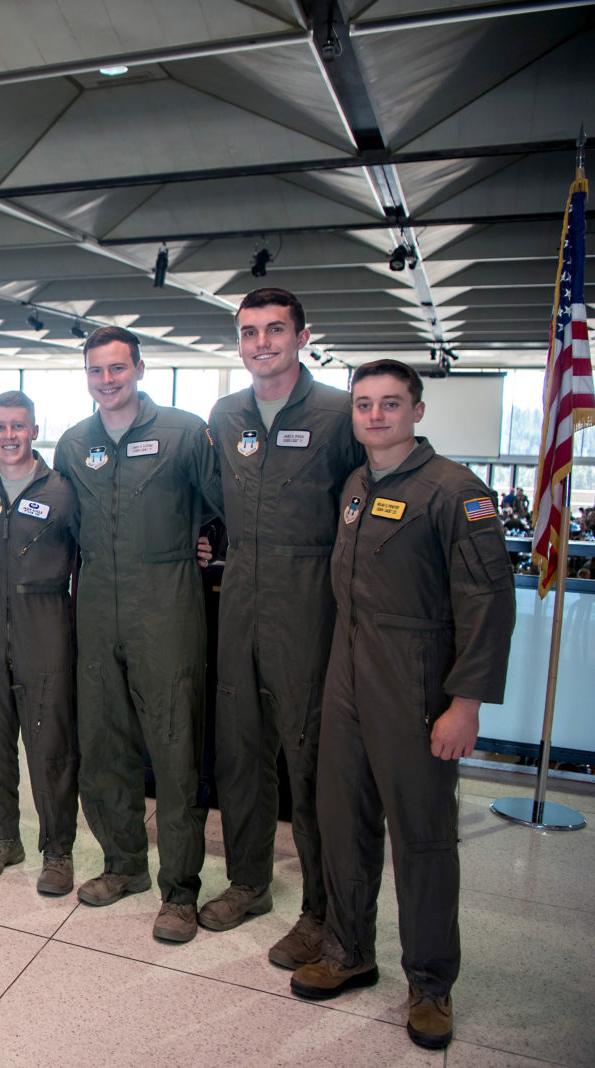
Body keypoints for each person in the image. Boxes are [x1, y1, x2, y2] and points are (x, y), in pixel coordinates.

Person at [290, 359, 515, 1051]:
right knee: (343, 821)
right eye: (364, 405)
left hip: (415, 681)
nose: (376, 415)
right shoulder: (357, 484)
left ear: (417, 411)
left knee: (421, 837)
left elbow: (487, 602)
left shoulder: (455, 492)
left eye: (391, 404)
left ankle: (431, 984)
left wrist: (465, 704)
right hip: (349, 673)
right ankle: (349, 950)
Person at [199, 288, 362, 968]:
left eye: (274, 330)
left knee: (311, 759)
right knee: (241, 751)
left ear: (301, 336)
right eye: (249, 332)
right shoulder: (227, 412)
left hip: (308, 601)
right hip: (240, 595)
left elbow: (363, 500)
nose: (261, 342)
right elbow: (214, 493)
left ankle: (323, 911)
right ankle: (249, 882)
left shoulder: (336, 414)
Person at [53, 326, 223, 942]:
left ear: (139, 369)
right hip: (96, 601)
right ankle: (124, 865)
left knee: (175, 749)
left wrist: (212, 547)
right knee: (104, 743)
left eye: (117, 368)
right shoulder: (75, 443)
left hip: (167, 603)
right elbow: (58, 521)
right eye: (96, 371)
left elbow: (228, 502)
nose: (107, 380)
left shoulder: (182, 432)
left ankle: (180, 892)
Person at [0, 391, 80, 894]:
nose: (8, 436)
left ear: (34, 430)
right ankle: (1, 838)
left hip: (46, 620)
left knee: (49, 744)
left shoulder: (63, 490)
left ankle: (57, 852)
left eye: (18, 426)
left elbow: (87, 549)